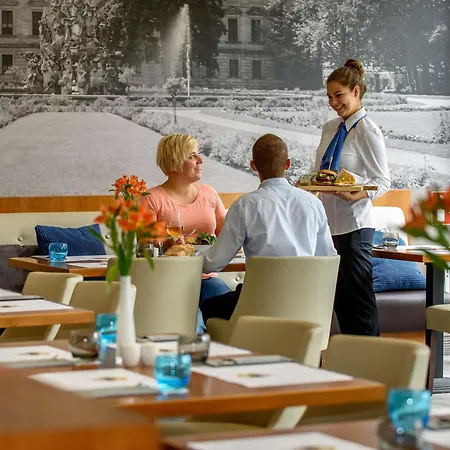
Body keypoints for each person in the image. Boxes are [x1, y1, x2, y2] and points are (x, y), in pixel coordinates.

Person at [200, 133, 337, 323]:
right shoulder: (313, 203)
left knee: (207, 306)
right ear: (287, 164)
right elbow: (328, 258)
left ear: (253, 165)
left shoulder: (244, 206)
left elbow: (214, 262)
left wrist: (189, 258)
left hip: (258, 308)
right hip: (305, 307)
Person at [315, 58, 390, 336]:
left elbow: (382, 182)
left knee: (359, 302)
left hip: (356, 226)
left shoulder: (367, 131)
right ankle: (351, 357)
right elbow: (322, 171)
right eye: (329, 97)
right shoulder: (330, 128)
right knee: (340, 302)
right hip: (329, 227)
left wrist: (354, 194)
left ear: (356, 91)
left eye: (339, 95)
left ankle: (371, 357)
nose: (333, 102)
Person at [141, 133, 231, 333]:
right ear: (175, 162)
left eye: (198, 154)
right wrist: (166, 243)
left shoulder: (209, 194)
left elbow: (228, 235)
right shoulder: (151, 198)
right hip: (169, 279)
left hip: (206, 278)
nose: (200, 160)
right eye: (192, 156)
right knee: (192, 323)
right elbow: (144, 246)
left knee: (235, 315)